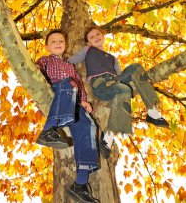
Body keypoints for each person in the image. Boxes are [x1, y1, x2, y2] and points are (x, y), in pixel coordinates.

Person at [69, 26, 169, 159]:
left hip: (115, 82)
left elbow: (120, 75)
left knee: (136, 68)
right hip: (101, 85)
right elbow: (71, 61)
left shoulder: (112, 58)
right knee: (124, 89)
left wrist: (129, 81)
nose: (96, 37)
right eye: (92, 37)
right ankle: (108, 137)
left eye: (98, 34)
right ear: (88, 43)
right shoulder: (88, 50)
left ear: (103, 37)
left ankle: (152, 111)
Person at [36, 29, 100, 203]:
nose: (58, 44)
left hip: (73, 98)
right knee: (68, 84)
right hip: (56, 93)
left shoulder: (70, 66)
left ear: (65, 46)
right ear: (47, 46)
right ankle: (49, 130)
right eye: (54, 41)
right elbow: (36, 75)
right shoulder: (44, 60)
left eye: (61, 42)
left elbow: (79, 84)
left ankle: (80, 184)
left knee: (89, 125)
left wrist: (84, 100)